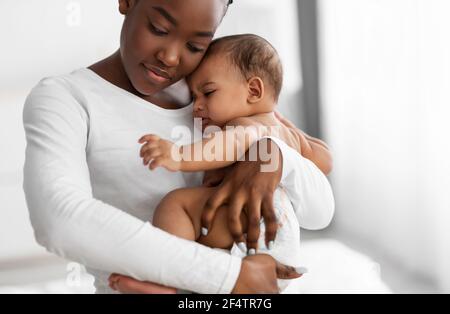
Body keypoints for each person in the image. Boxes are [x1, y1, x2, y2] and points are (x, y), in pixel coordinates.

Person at [23, 0, 334, 294]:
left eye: (195, 46)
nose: (171, 58)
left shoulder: (220, 91)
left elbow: (319, 213)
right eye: (158, 28)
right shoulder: (67, 98)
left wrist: (273, 159)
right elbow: (59, 221)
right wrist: (231, 277)